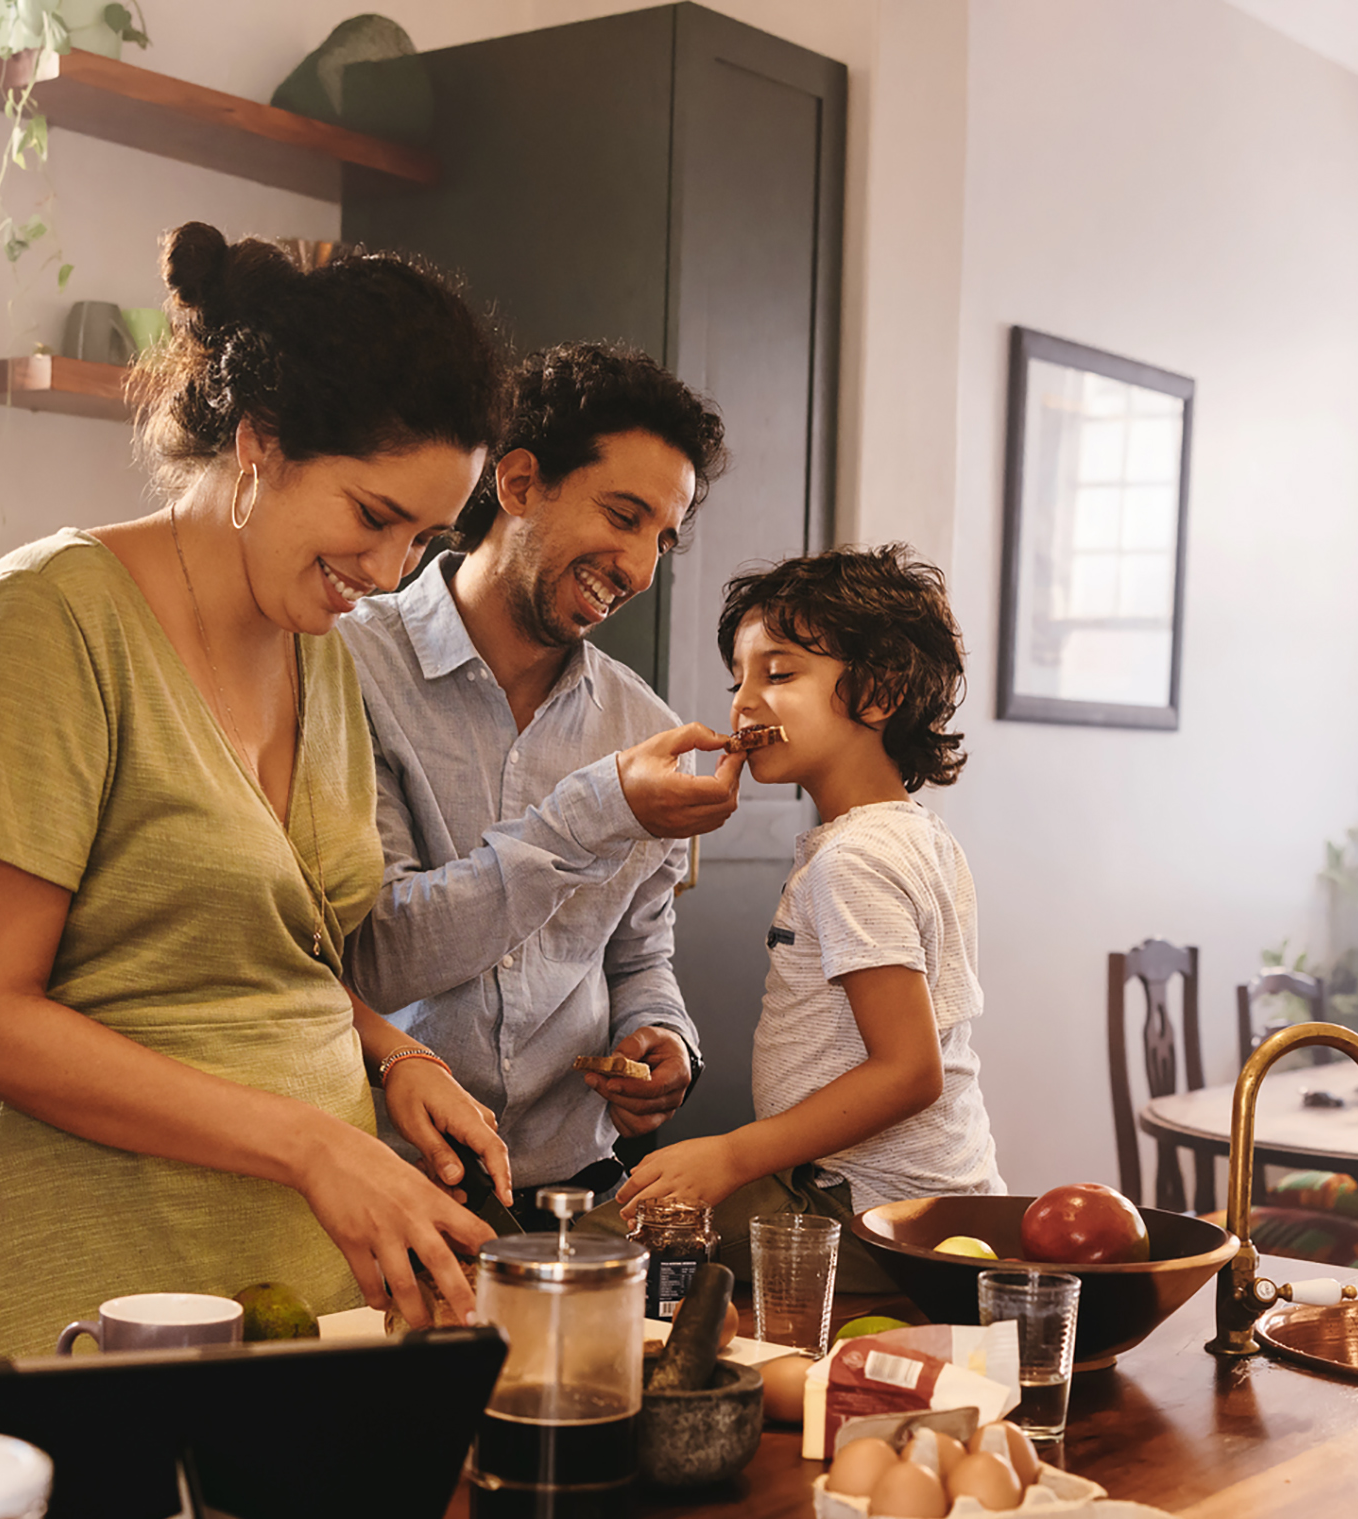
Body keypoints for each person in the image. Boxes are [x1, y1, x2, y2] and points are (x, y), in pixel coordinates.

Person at [0, 224, 515, 1362]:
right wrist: (312, 1147)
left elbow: (250, 952)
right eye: (373, 517)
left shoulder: (320, 650)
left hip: (300, 1286)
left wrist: (391, 1053)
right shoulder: (47, 621)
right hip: (86, 1278)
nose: (389, 575)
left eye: (425, 538)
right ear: (260, 442)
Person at [340, 343, 737, 1224]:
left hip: (573, 1193)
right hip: (385, 1190)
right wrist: (596, 811)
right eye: (623, 515)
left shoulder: (641, 727)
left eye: (661, 539)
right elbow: (378, 954)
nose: (638, 568)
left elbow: (639, 955)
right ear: (518, 483)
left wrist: (666, 1040)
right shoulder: (345, 666)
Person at [618, 544, 1003, 1291]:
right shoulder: (912, 832)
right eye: (739, 679)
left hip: (859, 1208)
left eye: (780, 672)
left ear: (879, 693)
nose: (743, 702)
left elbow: (909, 1071)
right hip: (917, 1200)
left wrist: (730, 1155)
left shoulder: (851, 860)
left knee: (609, 1256)